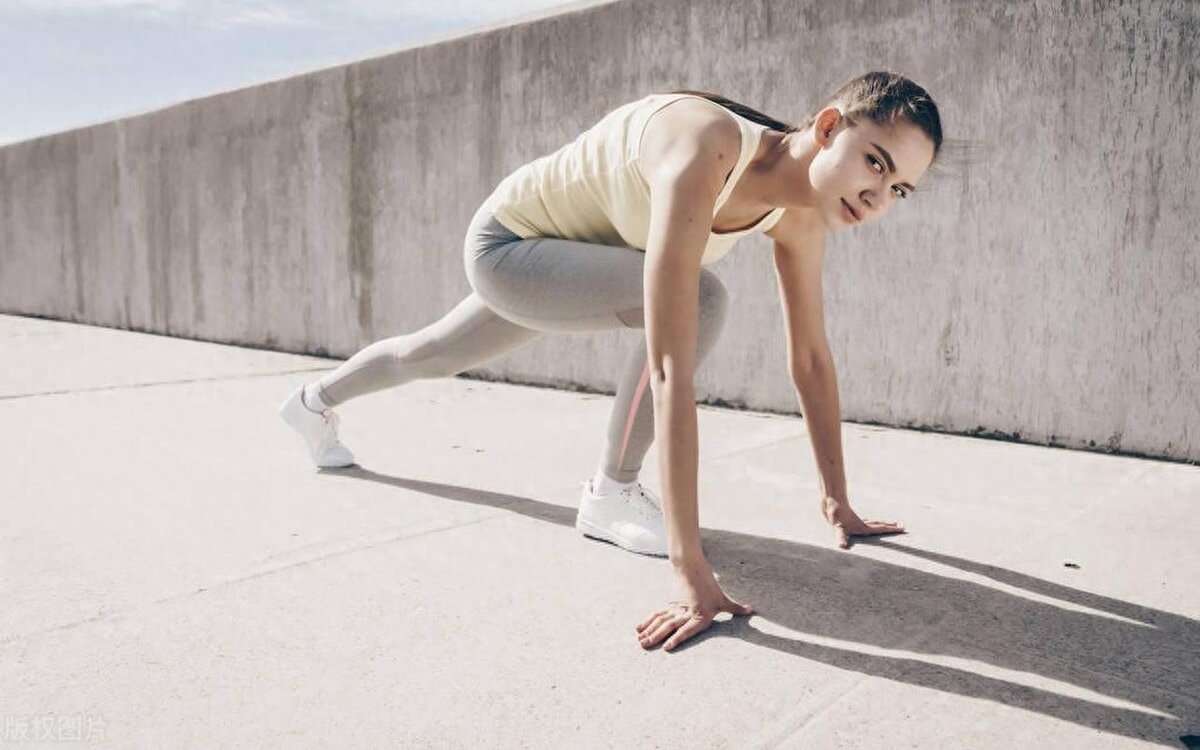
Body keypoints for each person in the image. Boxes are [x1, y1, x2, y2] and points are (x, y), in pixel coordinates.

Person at [279, 70, 943, 651]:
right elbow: (670, 367)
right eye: (876, 163)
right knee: (702, 302)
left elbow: (811, 359)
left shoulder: (798, 214)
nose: (879, 195)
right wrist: (691, 572)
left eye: (901, 189)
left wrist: (838, 500)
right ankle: (612, 489)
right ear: (828, 127)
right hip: (511, 248)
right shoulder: (707, 146)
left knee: (430, 351)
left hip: (575, 264)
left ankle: (313, 404)